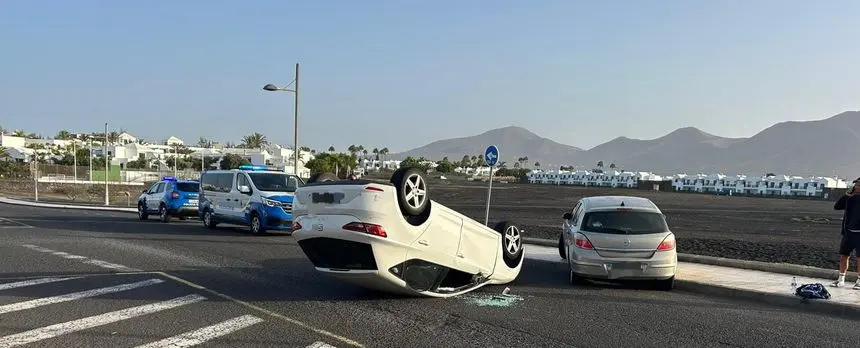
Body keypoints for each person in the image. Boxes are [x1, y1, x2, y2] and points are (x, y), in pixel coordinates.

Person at [832, 178, 860, 288]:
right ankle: (841, 279)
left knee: (859, 258)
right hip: (848, 232)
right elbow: (837, 206)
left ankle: (859, 281)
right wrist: (847, 195)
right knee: (844, 256)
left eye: (859, 185)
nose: (857, 187)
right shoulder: (850, 199)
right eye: (856, 185)